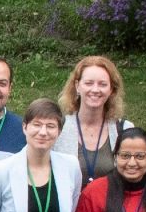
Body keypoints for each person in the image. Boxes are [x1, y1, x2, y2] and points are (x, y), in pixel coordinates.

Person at [53, 55, 132, 185]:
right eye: (89, 83)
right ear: (77, 86)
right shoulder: (57, 128)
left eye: (102, 84)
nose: (95, 90)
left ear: (111, 89)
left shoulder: (124, 129)